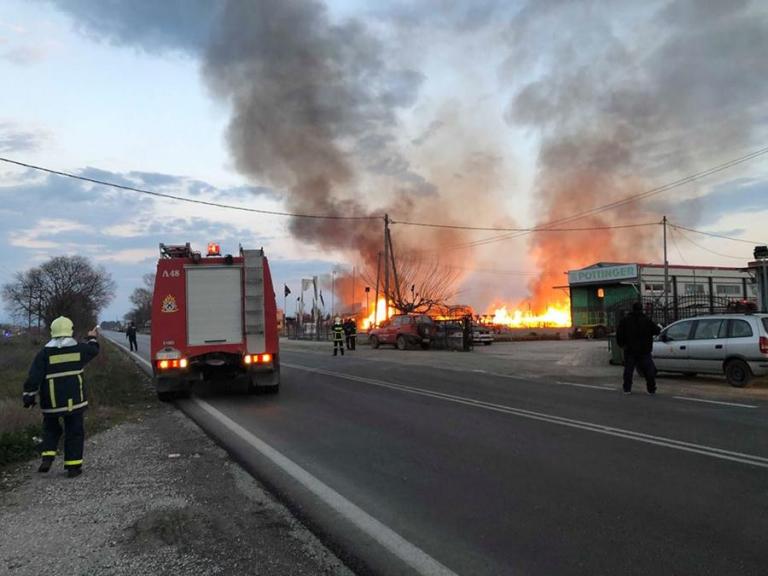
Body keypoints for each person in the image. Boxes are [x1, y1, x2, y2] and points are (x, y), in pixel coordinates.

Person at [22, 316, 100, 477]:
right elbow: (93, 350)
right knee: (74, 432)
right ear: (70, 331)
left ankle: (47, 457)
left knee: (50, 429)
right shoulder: (78, 349)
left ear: (53, 331)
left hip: (50, 402)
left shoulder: (44, 353)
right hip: (74, 402)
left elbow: (33, 377)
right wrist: (92, 337)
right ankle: (73, 467)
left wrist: (29, 397)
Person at [616, 302, 661, 395]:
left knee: (629, 370)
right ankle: (651, 388)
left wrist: (622, 345)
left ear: (632, 309)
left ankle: (627, 388)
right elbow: (657, 331)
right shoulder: (646, 320)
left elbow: (619, 334)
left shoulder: (625, 320)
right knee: (649, 370)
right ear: (641, 309)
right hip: (644, 350)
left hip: (630, 350)